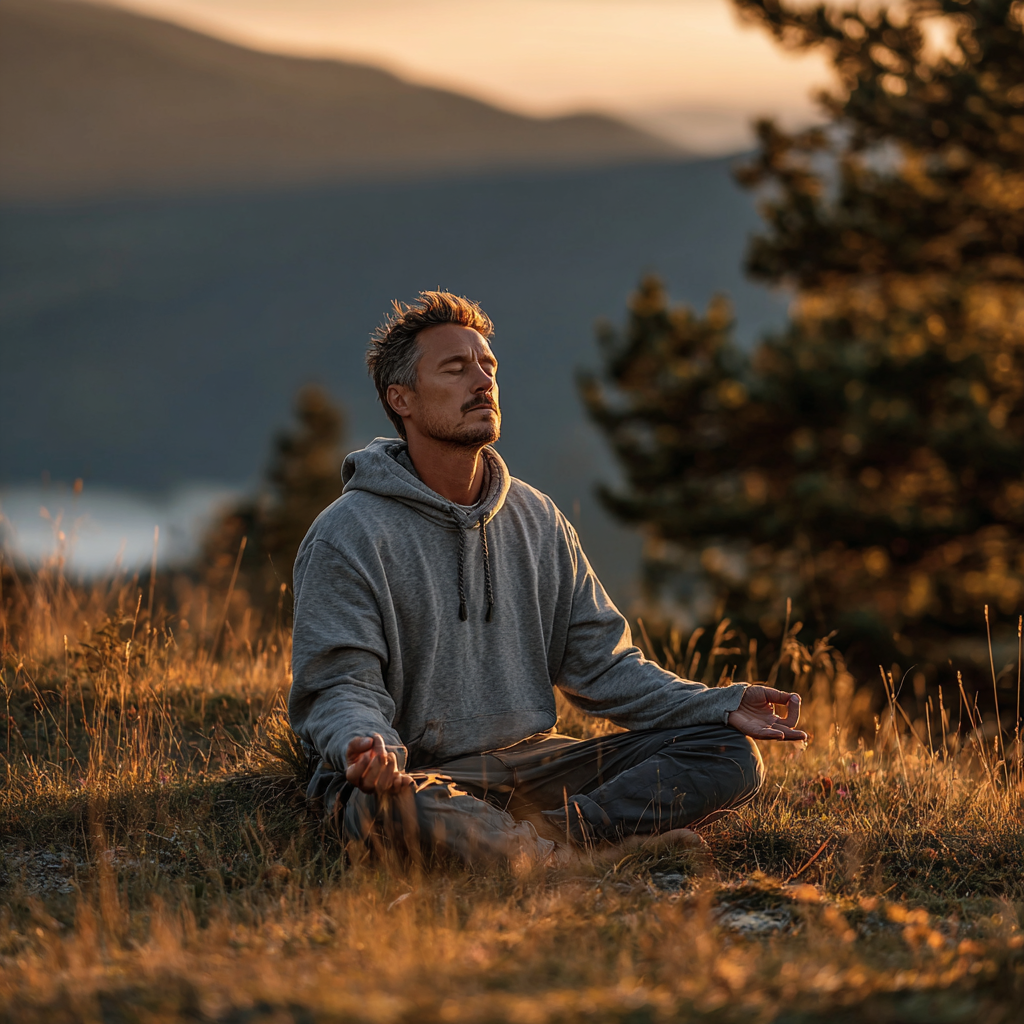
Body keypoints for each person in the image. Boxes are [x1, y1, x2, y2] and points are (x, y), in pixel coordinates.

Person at [288, 291, 807, 868]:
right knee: (377, 805)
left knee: (727, 754)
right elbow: (339, 685)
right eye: (455, 368)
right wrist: (368, 746)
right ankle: (579, 859)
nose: (482, 381)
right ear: (401, 399)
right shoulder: (349, 533)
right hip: (421, 773)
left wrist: (717, 704)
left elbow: (605, 667)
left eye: (488, 366)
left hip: (538, 766)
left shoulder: (536, 517)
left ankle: (553, 846)